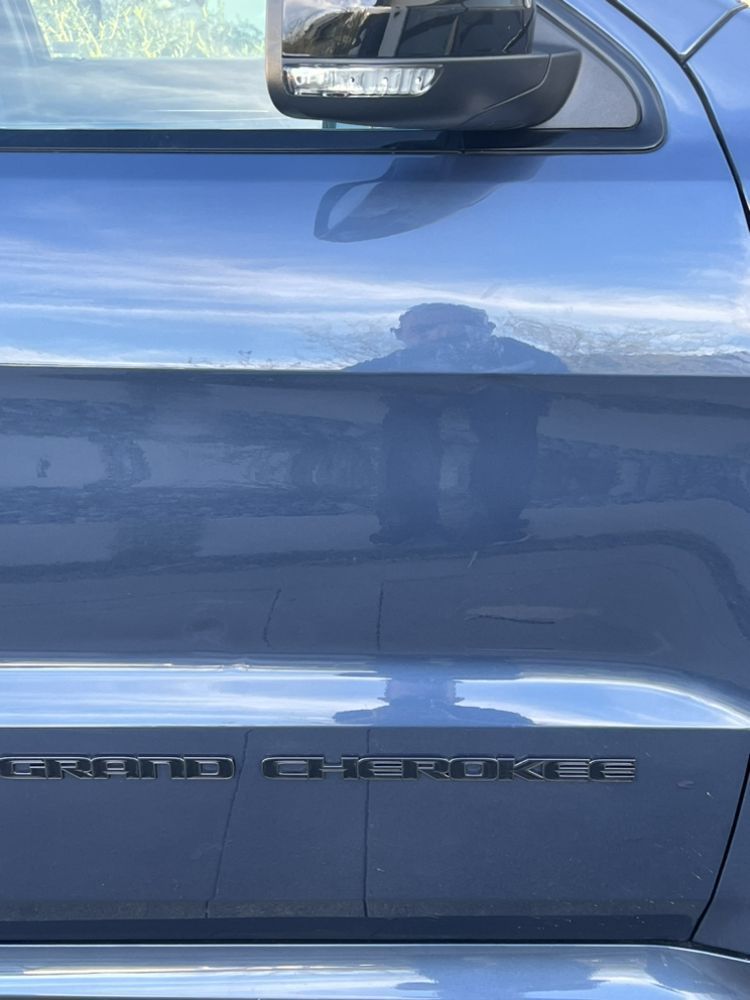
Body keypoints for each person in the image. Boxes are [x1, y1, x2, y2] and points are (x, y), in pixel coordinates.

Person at [349, 303, 567, 545]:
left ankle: (492, 523)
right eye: (420, 329)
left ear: (486, 329)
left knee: (507, 407)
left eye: (458, 328)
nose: (435, 335)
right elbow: (350, 380)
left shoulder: (517, 356)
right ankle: (409, 526)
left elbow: (558, 377)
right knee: (408, 419)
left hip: (502, 422)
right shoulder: (401, 362)